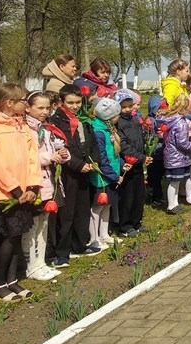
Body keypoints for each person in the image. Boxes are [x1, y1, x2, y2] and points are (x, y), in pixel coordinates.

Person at [0, 83, 41, 301]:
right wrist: (15, 189)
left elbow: (32, 156)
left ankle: (12, 280)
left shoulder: (20, 124)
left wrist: (32, 186)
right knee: (8, 237)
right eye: (22, 100)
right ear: (9, 103)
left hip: (25, 190)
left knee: (17, 236)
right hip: (4, 193)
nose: (25, 104)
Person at [49, 85, 96, 268]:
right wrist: (78, 164)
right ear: (61, 102)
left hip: (85, 170)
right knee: (66, 213)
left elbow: (91, 142)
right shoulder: (56, 121)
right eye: (70, 103)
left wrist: (93, 162)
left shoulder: (83, 119)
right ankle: (62, 252)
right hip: (67, 172)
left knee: (82, 209)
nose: (75, 106)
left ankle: (80, 244)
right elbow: (61, 147)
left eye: (78, 102)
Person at [23, 91, 68, 281]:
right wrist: (49, 157)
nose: (45, 111)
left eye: (47, 108)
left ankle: (41, 262)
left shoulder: (46, 128)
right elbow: (28, 156)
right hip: (35, 183)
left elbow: (53, 149)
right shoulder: (25, 129)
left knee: (44, 223)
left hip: (49, 181)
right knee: (32, 227)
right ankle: (30, 265)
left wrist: (62, 154)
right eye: (40, 108)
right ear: (28, 108)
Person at [88, 97, 124, 250]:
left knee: (107, 205)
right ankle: (94, 238)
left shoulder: (109, 129)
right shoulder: (98, 132)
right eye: (116, 115)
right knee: (97, 207)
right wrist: (114, 176)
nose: (118, 117)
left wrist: (122, 165)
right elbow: (102, 158)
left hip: (112, 173)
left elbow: (114, 153)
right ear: (108, 116)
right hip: (102, 177)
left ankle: (104, 234)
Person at [115, 89, 151, 237]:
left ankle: (137, 222)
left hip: (138, 162)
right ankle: (125, 225)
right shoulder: (118, 123)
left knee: (139, 194)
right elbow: (123, 145)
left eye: (130, 106)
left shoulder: (135, 119)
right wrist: (140, 157)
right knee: (127, 196)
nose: (128, 109)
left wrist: (144, 153)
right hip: (128, 163)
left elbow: (139, 139)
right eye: (123, 107)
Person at [156, 94, 191, 214]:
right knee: (174, 182)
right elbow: (182, 143)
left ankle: (175, 203)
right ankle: (171, 205)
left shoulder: (172, 119)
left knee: (176, 181)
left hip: (173, 155)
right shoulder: (181, 123)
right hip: (177, 157)